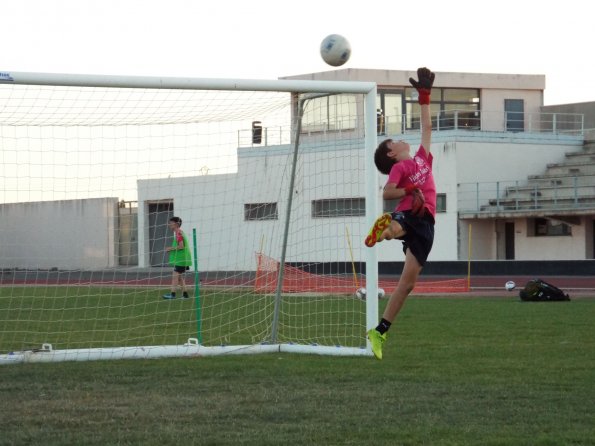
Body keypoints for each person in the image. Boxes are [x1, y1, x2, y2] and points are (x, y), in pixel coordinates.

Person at [365, 67, 437, 360]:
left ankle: (379, 331)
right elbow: (387, 193)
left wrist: (425, 96)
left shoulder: (421, 159)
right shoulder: (400, 167)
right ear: (392, 154)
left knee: (407, 284)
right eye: (392, 141)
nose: (397, 139)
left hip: (427, 221)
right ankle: (383, 231)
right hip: (410, 212)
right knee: (398, 227)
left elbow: (427, 130)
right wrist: (410, 192)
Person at [162, 216, 192, 299]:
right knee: (179, 277)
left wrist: (170, 248)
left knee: (175, 276)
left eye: (171, 223)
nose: (169, 224)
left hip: (181, 259)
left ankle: (172, 294)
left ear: (176, 224)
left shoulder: (178, 233)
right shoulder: (179, 232)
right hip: (182, 259)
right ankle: (185, 295)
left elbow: (181, 246)